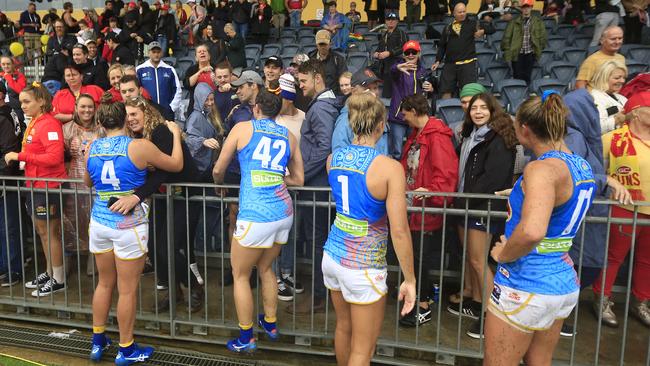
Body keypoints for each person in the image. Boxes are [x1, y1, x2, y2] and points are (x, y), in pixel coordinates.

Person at [484, 92, 597, 365]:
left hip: (526, 284)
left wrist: (503, 254)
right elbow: (561, 202)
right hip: (562, 283)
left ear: (524, 129)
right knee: (540, 361)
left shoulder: (541, 169)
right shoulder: (581, 165)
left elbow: (533, 231)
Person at [85, 99, 184, 365]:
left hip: (100, 221)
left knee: (105, 283)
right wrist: (174, 134)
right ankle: (126, 349)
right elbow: (175, 164)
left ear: (100, 123)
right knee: (127, 290)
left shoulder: (92, 148)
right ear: (124, 120)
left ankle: (97, 342)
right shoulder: (139, 146)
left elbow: (87, 181)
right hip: (129, 225)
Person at [323, 92, 416, 365]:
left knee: (343, 327)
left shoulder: (333, 159)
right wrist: (409, 279)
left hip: (333, 256)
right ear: (380, 126)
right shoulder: (388, 168)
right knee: (363, 350)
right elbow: (399, 230)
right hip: (364, 265)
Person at [212, 91, 304, 353]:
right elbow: (298, 180)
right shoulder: (288, 135)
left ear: (256, 109)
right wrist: (273, 177)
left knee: (240, 275)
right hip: (283, 211)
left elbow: (219, 169)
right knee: (266, 268)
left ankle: (246, 337)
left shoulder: (242, 128)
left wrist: (218, 182)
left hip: (255, 213)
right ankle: (271, 323)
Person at [451, 93, 517, 339]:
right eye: (473, 108)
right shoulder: (470, 136)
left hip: (483, 207)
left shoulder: (497, 139)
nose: (477, 112)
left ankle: (493, 314)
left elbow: (493, 179)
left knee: (479, 261)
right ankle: (480, 303)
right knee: (472, 258)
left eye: (483, 108)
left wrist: (463, 199)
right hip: (467, 204)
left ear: (492, 110)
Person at [398, 93, 458, 326]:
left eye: (405, 113)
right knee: (415, 256)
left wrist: (432, 191)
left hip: (426, 207)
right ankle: (417, 299)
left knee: (421, 257)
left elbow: (446, 174)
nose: (403, 118)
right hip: (415, 205)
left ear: (413, 111)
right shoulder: (418, 135)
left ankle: (422, 304)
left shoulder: (437, 137)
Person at [592, 92, 650, 328]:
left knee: (648, 259)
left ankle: (641, 302)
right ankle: (602, 298)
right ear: (636, 112)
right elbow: (595, 167)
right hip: (623, 207)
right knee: (614, 256)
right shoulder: (612, 139)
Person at [4, 84, 67, 297]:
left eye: (26, 101)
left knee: (50, 233)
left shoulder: (49, 124)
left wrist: (19, 156)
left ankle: (58, 279)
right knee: (42, 231)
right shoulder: (37, 122)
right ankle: (50, 272)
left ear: (41, 101)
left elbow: (54, 158)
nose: (22, 106)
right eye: (21, 102)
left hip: (48, 187)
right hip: (35, 185)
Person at [290, 59, 341, 314]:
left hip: (316, 185)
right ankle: (323, 295)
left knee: (317, 241)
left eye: (303, 81)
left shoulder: (320, 108)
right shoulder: (324, 105)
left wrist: (301, 175)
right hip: (318, 184)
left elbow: (324, 147)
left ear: (317, 79)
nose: (301, 87)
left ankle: (320, 297)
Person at [62, 94, 104, 276]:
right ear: (76, 107)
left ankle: (92, 260)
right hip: (74, 180)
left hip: (96, 181)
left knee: (94, 222)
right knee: (72, 221)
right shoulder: (67, 128)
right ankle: (69, 259)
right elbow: (61, 156)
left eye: (90, 107)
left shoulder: (102, 129)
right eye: (83, 107)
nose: (86, 110)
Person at [433, 2, 494, 99]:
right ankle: (447, 112)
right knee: (445, 91)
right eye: (459, 12)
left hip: (467, 64)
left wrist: (483, 31)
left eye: (464, 11)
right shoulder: (448, 28)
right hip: (450, 65)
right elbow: (442, 46)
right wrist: (438, 60)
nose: (462, 14)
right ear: (454, 13)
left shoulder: (473, 24)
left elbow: (492, 29)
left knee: (469, 93)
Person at [388, 40, 434, 159]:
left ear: (419, 53)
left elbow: (431, 93)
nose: (410, 55)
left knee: (414, 150)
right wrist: (398, 67)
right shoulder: (398, 69)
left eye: (414, 52)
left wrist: (431, 89)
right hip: (398, 116)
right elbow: (392, 70)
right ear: (403, 55)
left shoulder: (423, 72)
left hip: (415, 116)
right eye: (407, 52)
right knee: (397, 152)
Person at [332, 68, 388, 155]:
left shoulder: (380, 115)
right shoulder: (345, 120)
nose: (373, 93)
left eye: (375, 88)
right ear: (354, 91)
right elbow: (338, 157)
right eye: (368, 88)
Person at [0, 82, 22, 287]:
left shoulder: (5, 116)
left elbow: (8, 152)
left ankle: (12, 269)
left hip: (7, 181)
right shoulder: (9, 112)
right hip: (8, 179)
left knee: (8, 227)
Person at [501, 0, 546, 84]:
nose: (526, 9)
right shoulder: (513, 22)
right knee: (517, 76)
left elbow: (543, 38)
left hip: (530, 53)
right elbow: (506, 38)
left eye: (528, 7)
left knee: (527, 76)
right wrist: (508, 53)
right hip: (517, 53)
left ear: (531, 8)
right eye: (524, 7)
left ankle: (525, 95)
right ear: (521, 8)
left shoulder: (538, 22)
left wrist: (538, 49)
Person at [136, 41, 182, 121]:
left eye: (158, 52)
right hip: (147, 112)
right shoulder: (140, 69)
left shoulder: (170, 69)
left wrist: (171, 108)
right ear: (148, 52)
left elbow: (177, 90)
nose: (156, 54)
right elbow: (136, 90)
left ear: (161, 53)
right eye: (153, 52)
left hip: (167, 113)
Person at [372, 12, 407, 99]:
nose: (390, 21)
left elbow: (404, 47)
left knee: (397, 94)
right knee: (386, 95)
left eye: (393, 20)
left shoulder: (401, 33)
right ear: (386, 21)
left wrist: (390, 53)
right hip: (385, 68)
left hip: (397, 66)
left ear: (397, 21)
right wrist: (376, 53)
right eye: (388, 19)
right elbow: (380, 47)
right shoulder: (384, 34)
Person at [589, 60, 628, 134]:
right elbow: (594, 129)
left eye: (624, 77)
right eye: (617, 78)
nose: (622, 81)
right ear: (604, 78)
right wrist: (616, 120)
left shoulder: (622, 98)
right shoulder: (593, 98)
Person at [308, 30, 347, 95]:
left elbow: (343, 80)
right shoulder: (310, 58)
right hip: (314, 97)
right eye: (321, 44)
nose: (323, 47)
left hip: (333, 98)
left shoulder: (338, 59)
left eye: (325, 44)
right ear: (316, 44)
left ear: (330, 43)